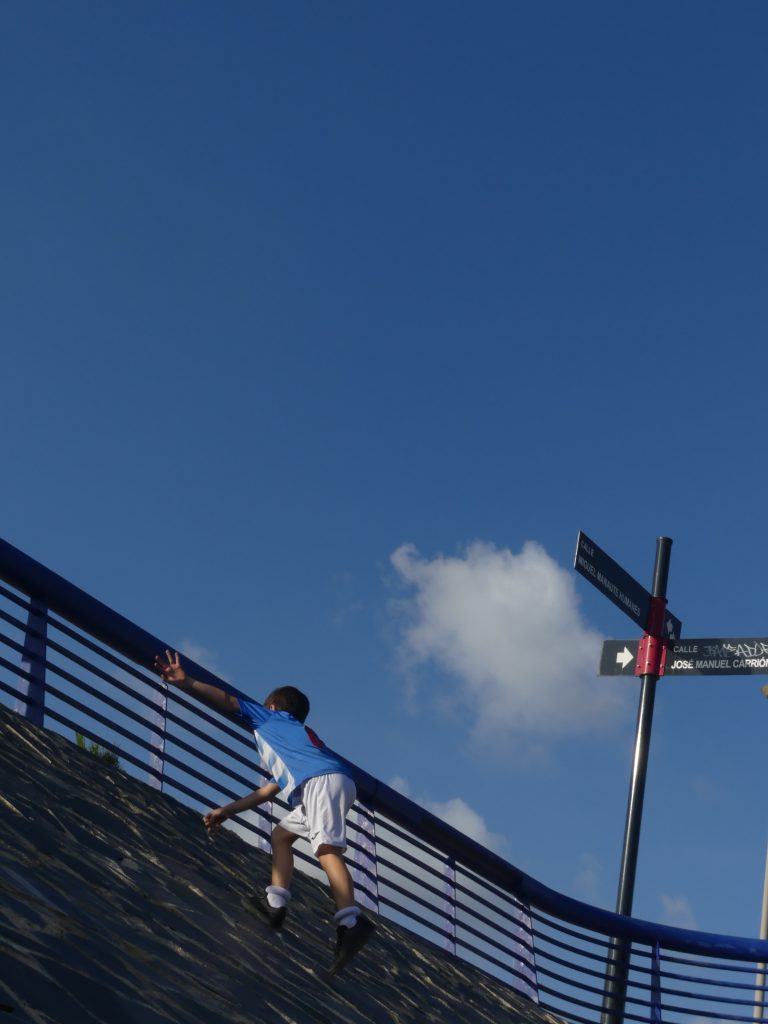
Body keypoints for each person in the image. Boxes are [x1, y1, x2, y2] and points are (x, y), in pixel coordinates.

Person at [154, 650, 375, 975]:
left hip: (320, 782)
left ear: (271, 707)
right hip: (326, 781)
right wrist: (226, 811)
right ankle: (275, 906)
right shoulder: (294, 743)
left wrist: (187, 682)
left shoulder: (271, 719)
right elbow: (267, 791)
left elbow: (229, 701)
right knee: (281, 836)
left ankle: (350, 922)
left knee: (326, 849)